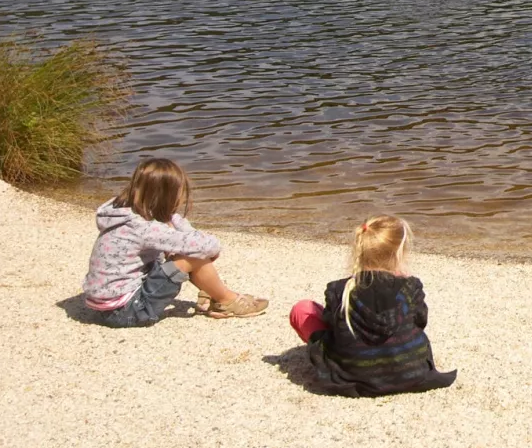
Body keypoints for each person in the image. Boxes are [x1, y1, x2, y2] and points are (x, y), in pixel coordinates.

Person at [83, 158, 268, 326]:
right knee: (191, 257)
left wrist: (173, 221)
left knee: (184, 250)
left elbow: (183, 234)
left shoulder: (125, 213)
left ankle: (211, 294)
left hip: (104, 305)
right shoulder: (145, 228)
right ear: (168, 196)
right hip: (126, 310)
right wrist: (205, 248)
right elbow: (208, 246)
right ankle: (227, 301)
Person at [289, 215, 457, 397]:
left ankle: (362, 356)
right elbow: (420, 320)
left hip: (352, 376)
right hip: (412, 374)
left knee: (303, 309)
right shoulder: (411, 287)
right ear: (400, 252)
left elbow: (332, 325)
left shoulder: (339, 290)